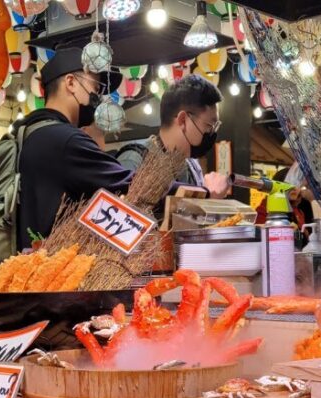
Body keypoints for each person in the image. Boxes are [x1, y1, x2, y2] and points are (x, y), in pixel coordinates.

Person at [15, 48, 231, 251]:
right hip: (55, 274)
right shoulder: (65, 140)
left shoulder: (28, 133)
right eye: (96, 87)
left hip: (30, 267)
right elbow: (133, 185)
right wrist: (204, 193)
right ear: (70, 83)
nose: (98, 97)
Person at [117, 75, 222, 186]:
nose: (212, 133)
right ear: (183, 120)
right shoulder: (134, 161)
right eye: (210, 125)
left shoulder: (192, 166)